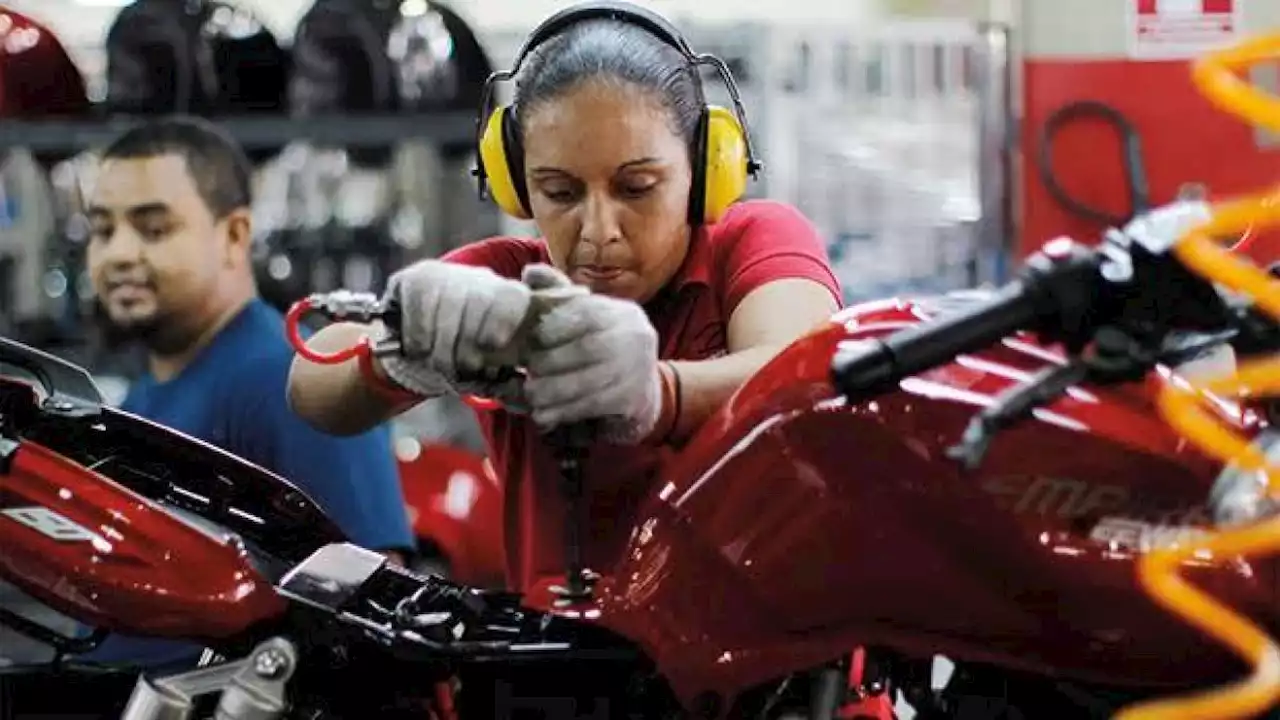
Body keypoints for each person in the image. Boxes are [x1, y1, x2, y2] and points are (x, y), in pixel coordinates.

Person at [288, 2, 843, 594]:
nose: (598, 229)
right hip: (570, 669)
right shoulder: (507, 278)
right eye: (560, 192)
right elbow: (311, 385)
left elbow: (804, 372)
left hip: (779, 670)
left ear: (705, 170)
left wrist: (655, 394)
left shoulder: (752, 243)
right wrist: (406, 355)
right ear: (518, 186)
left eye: (636, 188)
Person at [80, 116, 415, 669]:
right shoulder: (145, 395)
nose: (117, 253)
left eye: (154, 228)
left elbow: (374, 609)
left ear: (235, 235)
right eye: (102, 229)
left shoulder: (288, 381)